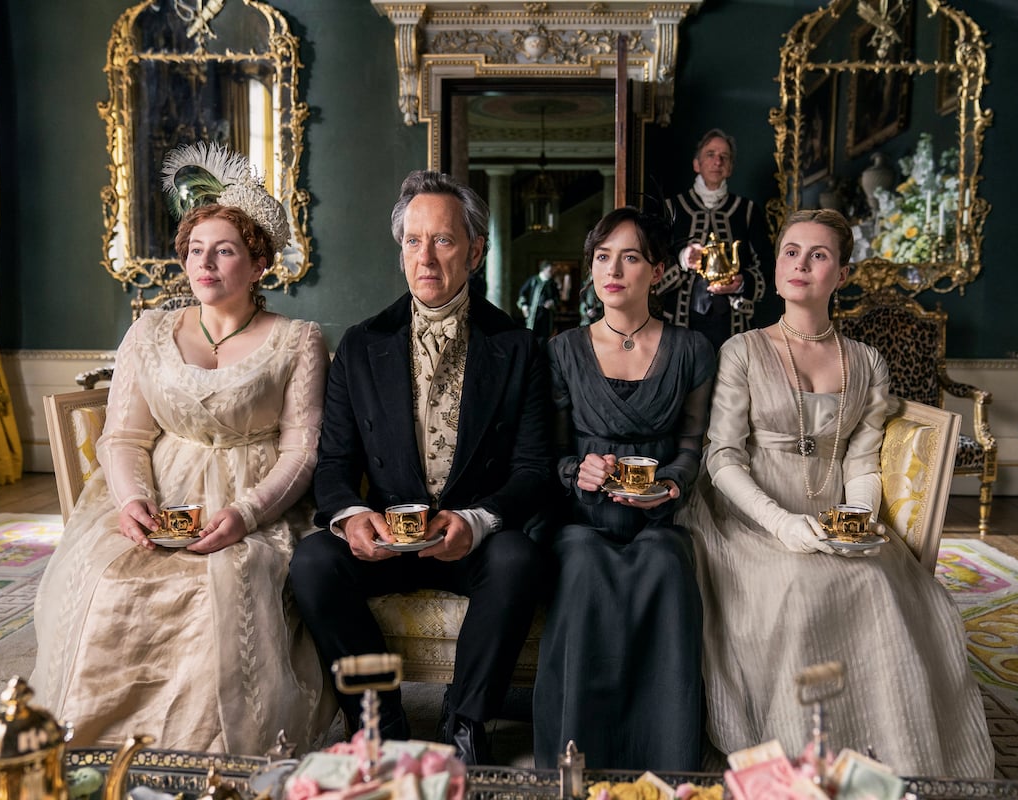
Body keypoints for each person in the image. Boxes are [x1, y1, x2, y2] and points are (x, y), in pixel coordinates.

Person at [31, 143, 333, 755]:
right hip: (161, 491)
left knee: (223, 583)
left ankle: (208, 755)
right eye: (196, 250)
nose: (206, 264)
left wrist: (245, 515)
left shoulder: (299, 340)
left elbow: (303, 448)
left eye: (224, 251)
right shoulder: (148, 332)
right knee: (108, 577)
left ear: (259, 262)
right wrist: (133, 502)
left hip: (257, 499)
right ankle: (102, 746)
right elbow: (124, 436)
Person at [677, 209, 994, 777]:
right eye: (790, 251)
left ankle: (888, 762)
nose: (801, 264)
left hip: (831, 511)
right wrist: (784, 525)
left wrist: (857, 517)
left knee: (876, 582)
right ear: (775, 268)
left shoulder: (867, 363)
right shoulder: (742, 351)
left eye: (818, 254)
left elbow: (862, 460)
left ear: (841, 274)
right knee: (798, 587)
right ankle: (800, 766)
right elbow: (722, 458)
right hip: (747, 514)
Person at [289, 170, 550, 766]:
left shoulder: (519, 346)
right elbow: (333, 465)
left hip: (469, 541)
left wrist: (478, 523)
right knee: (311, 561)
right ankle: (378, 721)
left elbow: (534, 469)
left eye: (444, 240)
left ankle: (465, 722)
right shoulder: (360, 345)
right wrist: (354, 518)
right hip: (386, 538)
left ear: (476, 250)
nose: (425, 257)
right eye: (412, 241)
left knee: (518, 558)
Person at [533, 207, 714, 771]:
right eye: (603, 256)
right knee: (584, 564)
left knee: (666, 562)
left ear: (657, 271)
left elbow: (692, 443)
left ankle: (662, 762)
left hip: (658, 519)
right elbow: (549, 453)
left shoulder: (692, 350)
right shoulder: (563, 351)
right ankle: (574, 759)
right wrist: (575, 472)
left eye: (631, 257)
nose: (613, 269)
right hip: (582, 519)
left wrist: (672, 485)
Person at [657, 129, 774, 351]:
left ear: (729, 168)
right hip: (682, 321)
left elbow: (767, 263)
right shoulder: (672, 208)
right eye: (710, 154)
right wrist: (683, 259)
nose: (717, 161)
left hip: (734, 322)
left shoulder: (747, 211)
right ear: (696, 164)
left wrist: (742, 282)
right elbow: (653, 261)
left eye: (724, 157)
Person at [517, 259, 560, 338]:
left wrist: (552, 302)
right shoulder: (533, 280)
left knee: (544, 337)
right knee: (531, 335)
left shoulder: (552, 283)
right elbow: (522, 293)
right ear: (544, 269)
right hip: (533, 313)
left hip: (546, 315)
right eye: (549, 270)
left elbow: (557, 298)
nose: (551, 273)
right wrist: (524, 306)